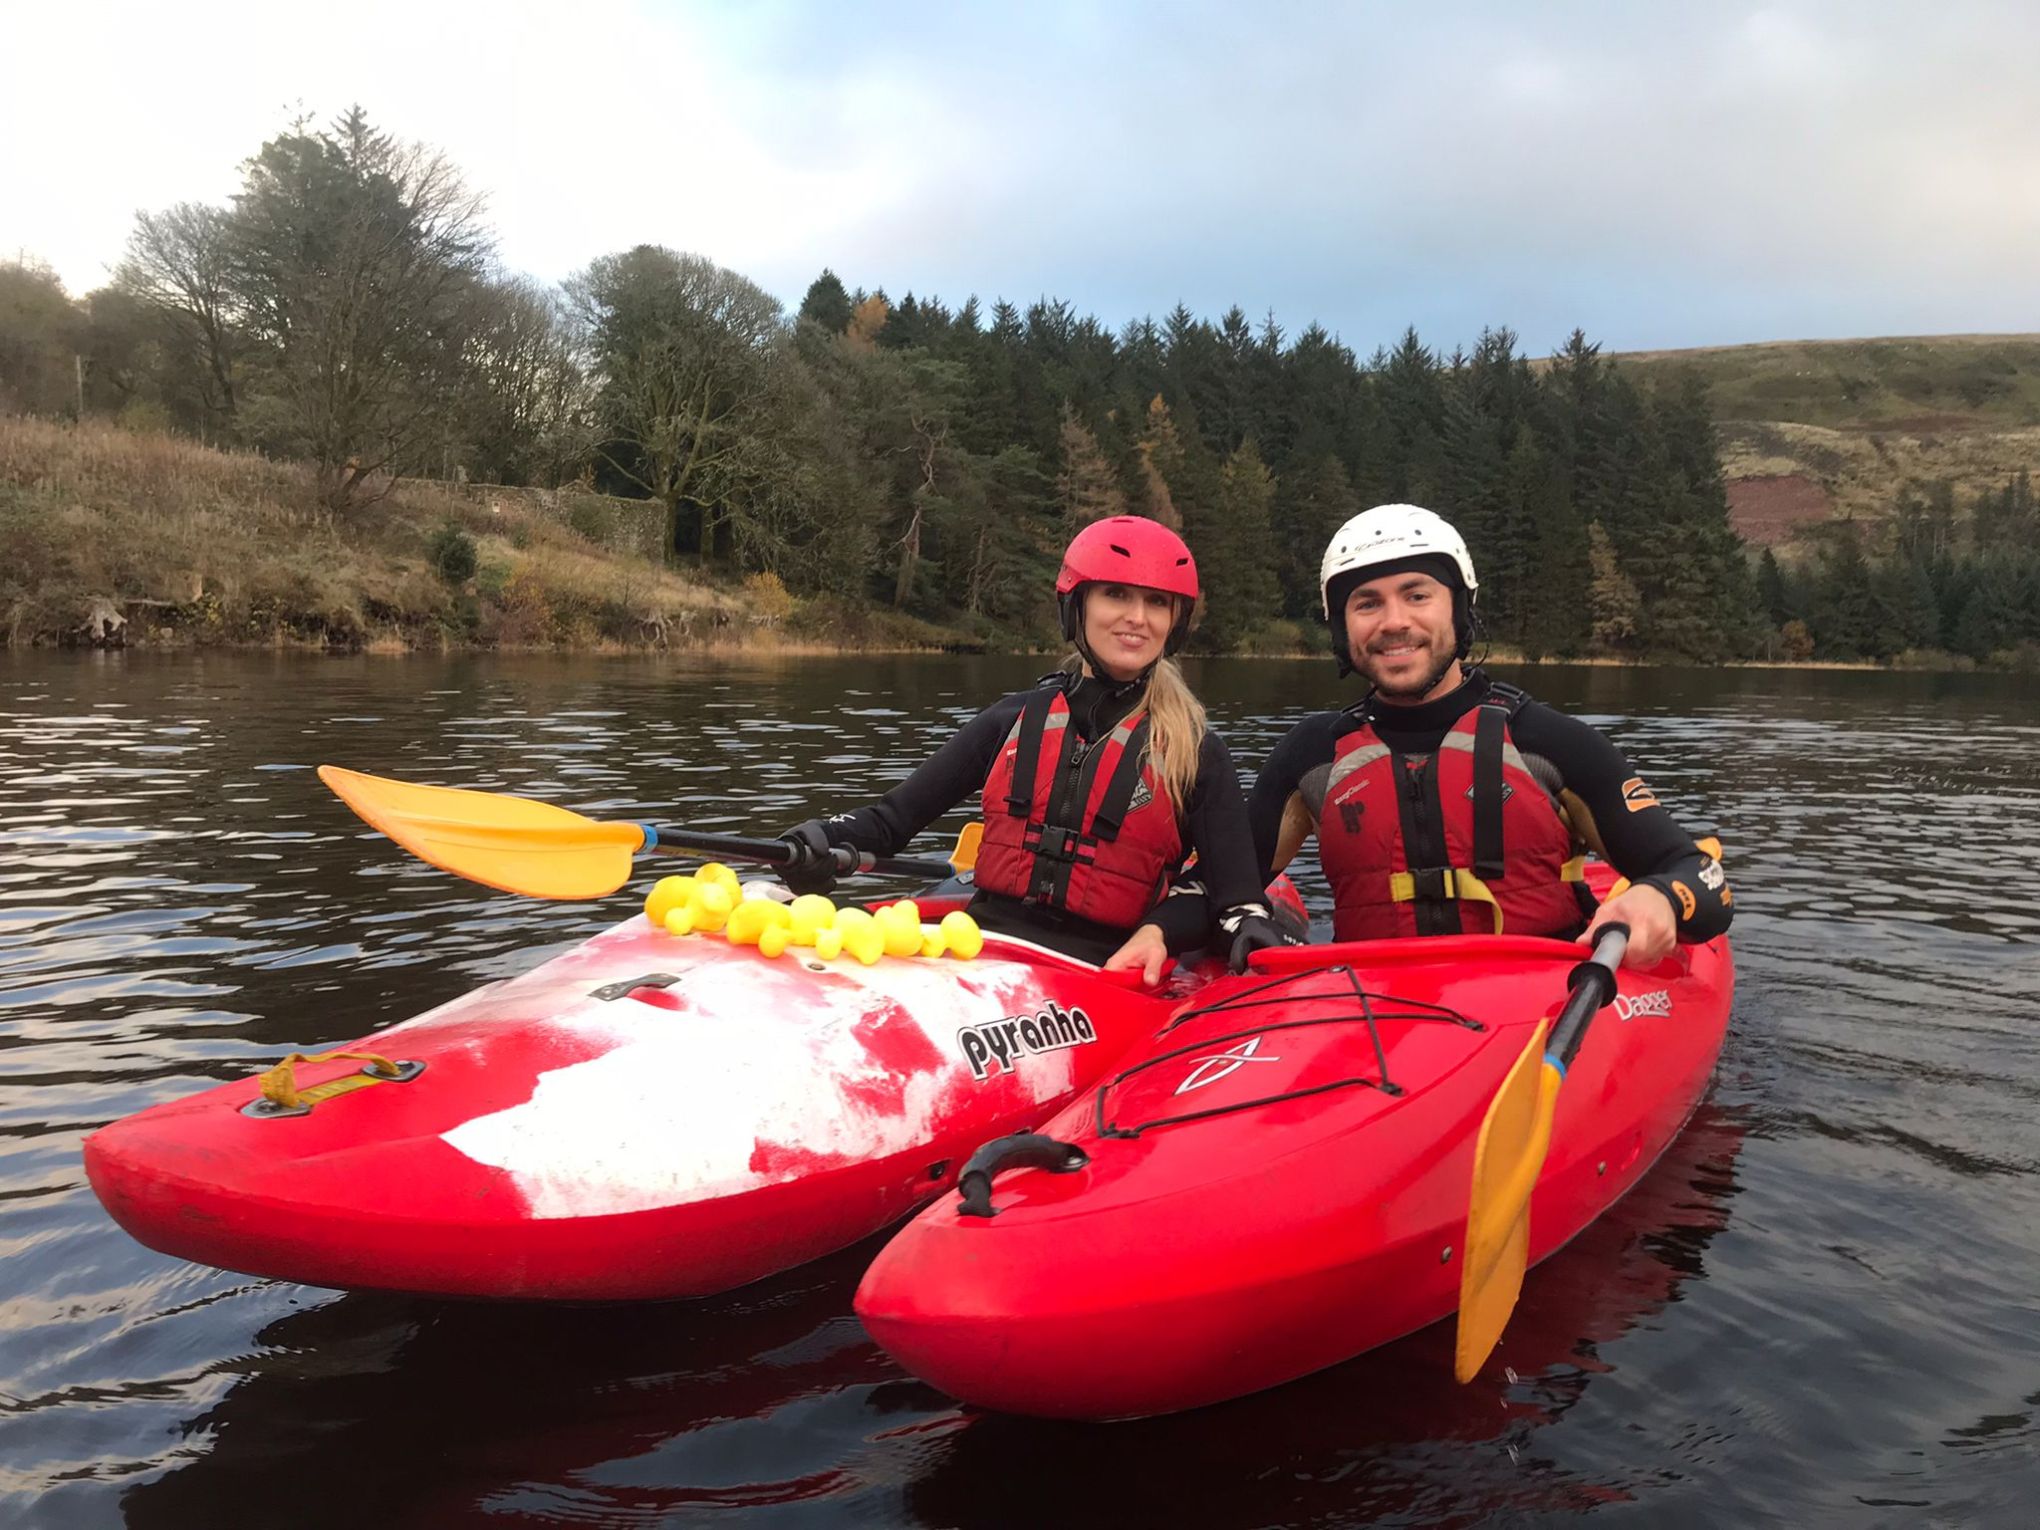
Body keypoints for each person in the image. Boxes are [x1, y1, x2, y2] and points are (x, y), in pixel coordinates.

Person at [779, 516, 1290, 979]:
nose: (1137, 617)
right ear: (1076, 605)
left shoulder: (1196, 751)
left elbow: (1234, 899)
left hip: (1106, 974)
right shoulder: (1012, 720)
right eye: (1116, 594)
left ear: (1175, 622)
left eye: (1157, 602)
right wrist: (823, 836)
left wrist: (1162, 931)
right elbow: (891, 821)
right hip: (984, 952)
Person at [1248, 503, 1732, 967]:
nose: (1394, 622)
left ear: (1458, 609)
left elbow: (1699, 877)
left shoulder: (1550, 742)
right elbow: (1224, 886)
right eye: (1367, 603)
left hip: (1544, 997)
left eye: (1417, 595)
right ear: (1342, 626)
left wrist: (1660, 898)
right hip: (1372, 1003)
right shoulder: (1311, 755)